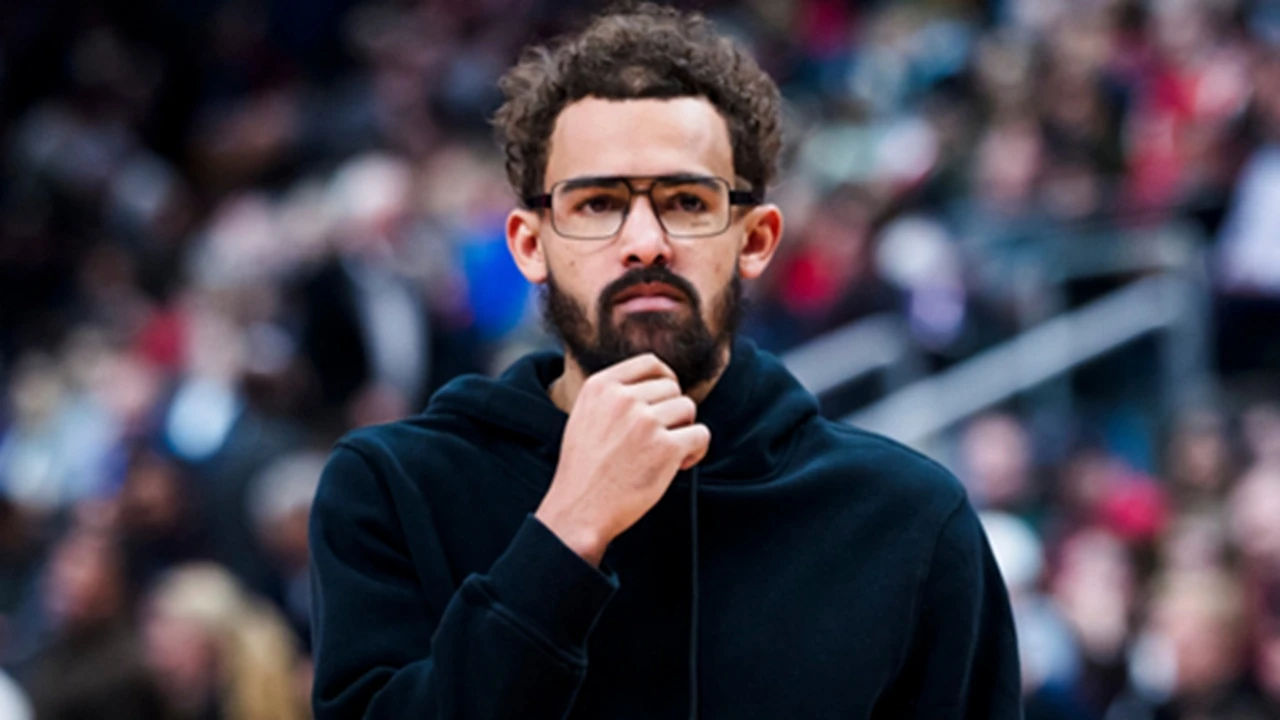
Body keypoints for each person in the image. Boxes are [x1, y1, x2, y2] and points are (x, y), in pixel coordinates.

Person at [308, 5, 1021, 718]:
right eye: (597, 203)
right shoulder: (392, 489)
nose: (645, 242)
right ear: (530, 245)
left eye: (685, 201)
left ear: (755, 240)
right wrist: (567, 532)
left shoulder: (908, 520)